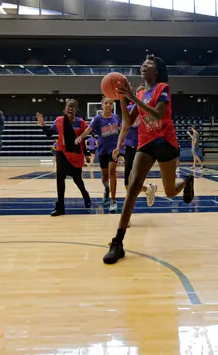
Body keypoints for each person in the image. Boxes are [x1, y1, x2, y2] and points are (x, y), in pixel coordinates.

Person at [103, 55, 190, 265]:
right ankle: (118, 242)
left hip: (166, 142)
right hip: (146, 142)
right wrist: (123, 97)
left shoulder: (163, 89)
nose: (144, 64)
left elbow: (158, 115)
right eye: (143, 62)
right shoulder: (140, 92)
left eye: (149, 63)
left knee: (170, 192)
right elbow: (129, 120)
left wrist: (133, 97)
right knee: (133, 186)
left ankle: (187, 181)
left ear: (157, 70)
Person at [37, 100, 92, 216]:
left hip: (76, 154)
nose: (70, 108)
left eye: (73, 107)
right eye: (69, 106)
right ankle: (60, 207)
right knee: (60, 178)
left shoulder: (81, 123)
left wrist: (86, 154)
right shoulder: (59, 121)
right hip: (62, 153)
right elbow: (49, 134)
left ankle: (85, 194)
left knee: (77, 180)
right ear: (65, 109)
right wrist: (42, 124)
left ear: (76, 110)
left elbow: (83, 140)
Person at [77, 98, 121, 213]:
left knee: (112, 173)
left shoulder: (116, 117)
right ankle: (107, 188)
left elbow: (122, 129)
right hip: (102, 150)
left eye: (110, 103)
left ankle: (113, 201)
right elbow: (88, 130)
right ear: (102, 105)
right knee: (104, 177)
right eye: (106, 103)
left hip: (113, 150)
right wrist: (81, 137)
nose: (108, 105)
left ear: (112, 106)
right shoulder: (97, 119)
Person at [113, 100, 140, 188]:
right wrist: (118, 147)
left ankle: (144, 189)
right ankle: (130, 192)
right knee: (128, 169)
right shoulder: (129, 109)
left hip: (143, 144)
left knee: (139, 172)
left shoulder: (148, 109)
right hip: (130, 144)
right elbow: (124, 129)